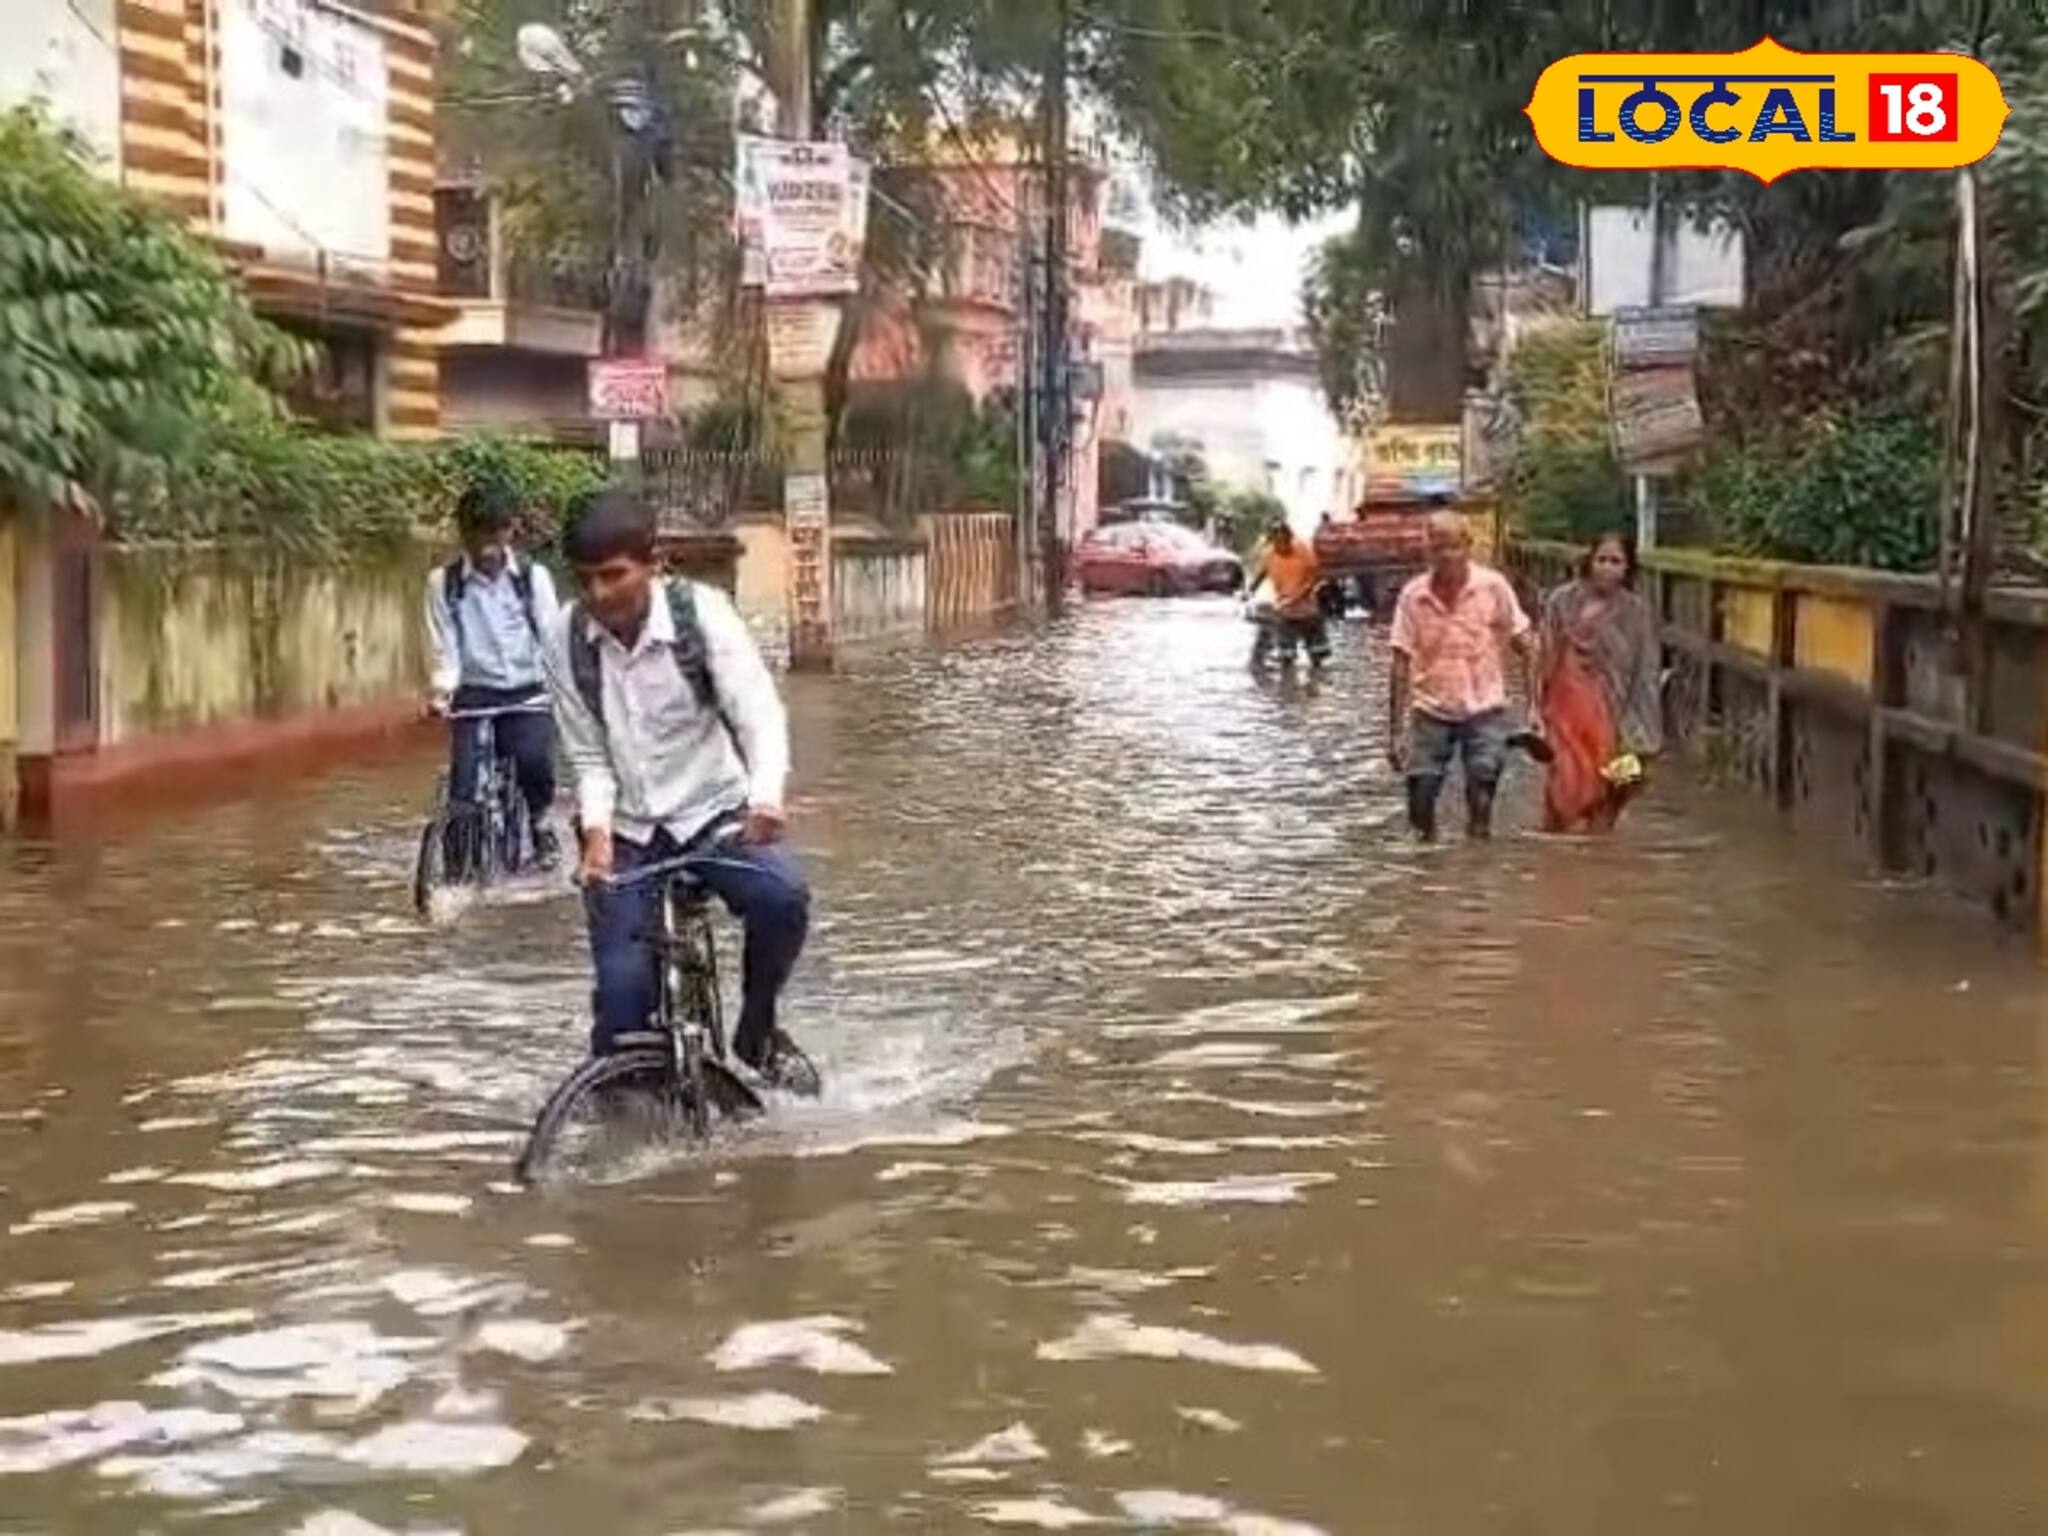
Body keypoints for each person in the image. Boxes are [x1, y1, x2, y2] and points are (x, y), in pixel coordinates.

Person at [544, 488, 818, 1093]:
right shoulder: (564, 639)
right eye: (584, 580)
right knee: (621, 1005)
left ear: (654, 563)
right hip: (628, 830)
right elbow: (588, 754)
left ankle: (757, 1028)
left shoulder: (705, 617)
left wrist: (766, 798)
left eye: (613, 576)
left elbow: (758, 715)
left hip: (713, 813)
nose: (598, 595)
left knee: (782, 898)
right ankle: (627, 1119)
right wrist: (595, 837)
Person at [425, 484, 561, 869]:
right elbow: (444, 643)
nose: (484, 547)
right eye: (475, 535)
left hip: (527, 691)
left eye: (493, 534)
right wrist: (442, 691)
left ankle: (539, 824)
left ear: (508, 532)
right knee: (463, 788)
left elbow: (551, 637)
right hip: (473, 694)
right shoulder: (444, 583)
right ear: (463, 535)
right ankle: (456, 869)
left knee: (534, 762)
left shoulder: (533, 579)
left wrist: (562, 688)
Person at [1386, 511, 1536, 841]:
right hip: (1430, 709)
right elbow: (1399, 662)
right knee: (1421, 799)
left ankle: (1476, 873)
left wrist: (1534, 708)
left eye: (1454, 547)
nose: (1447, 556)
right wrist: (1395, 732)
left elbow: (1525, 644)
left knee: (1482, 796)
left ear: (1469, 546)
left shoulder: (1493, 587)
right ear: (1427, 550)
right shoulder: (1413, 595)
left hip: (1486, 709)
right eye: (1438, 547)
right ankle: (1427, 878)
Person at [1535, 532, 1664, 832]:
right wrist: (1537, 709)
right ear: (1589, 562)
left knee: (1621, 783)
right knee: (1565, 788)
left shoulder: (1637, 613)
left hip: (1616, 714)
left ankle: (1599, 852)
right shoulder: (1562, 602)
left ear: (1628, 568)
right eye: (1602, 560)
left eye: (1616, 561)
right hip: (1567, 715)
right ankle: (1560, 858)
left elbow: (1646, 670)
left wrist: (1644, 730)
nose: (1607, 568)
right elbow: (1545, 655)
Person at [1247, 518, 1331, 668]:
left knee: (1317, 654)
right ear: (1272, 542)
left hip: (1307, 608)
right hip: (1285, 610)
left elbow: (1315, 577)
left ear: (1290, 538)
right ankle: (1287, 684)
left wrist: (1301, 595)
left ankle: (1316, 681)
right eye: (1278, 542)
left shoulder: (1303, 550)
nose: (1282, 546)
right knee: (1286, 654)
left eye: (1285, 541)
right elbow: (1261, 574)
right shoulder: (1269, 555)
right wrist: (1249, 591)